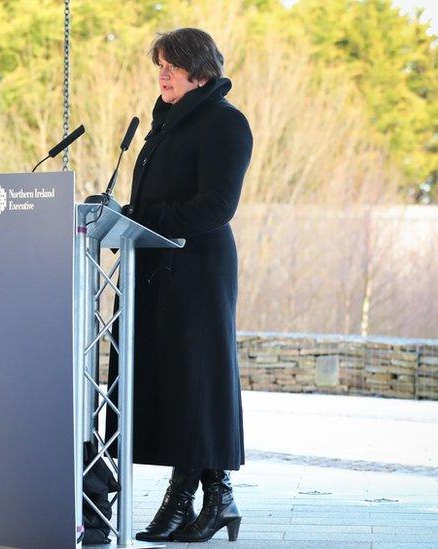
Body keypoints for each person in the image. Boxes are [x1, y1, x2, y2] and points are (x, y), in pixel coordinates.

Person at [121, 28, 253, 542]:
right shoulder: (164, 126)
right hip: (157, 268)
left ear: (200, 69)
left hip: (198, 270)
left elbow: (217, 206)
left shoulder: (225, 124)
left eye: (171, 65)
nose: (162, 73)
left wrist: (148, 218)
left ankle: (186, 500)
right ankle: (214, 497)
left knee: (196, 381)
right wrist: (125, 217)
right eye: (160, 65)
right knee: (178, 386)